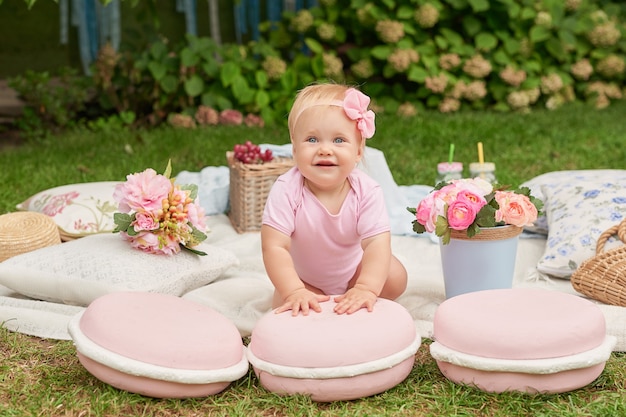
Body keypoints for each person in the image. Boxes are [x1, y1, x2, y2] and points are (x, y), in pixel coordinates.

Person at [261, 83, 408, 316]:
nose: (325, 150)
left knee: (396, 276)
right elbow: (274, 246)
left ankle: (353, 293)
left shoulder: (367, 191)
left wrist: (365, 287)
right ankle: (303, 294)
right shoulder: (286, 190)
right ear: (295, 150)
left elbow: (376, 244)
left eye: (339, 140)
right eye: (312, 140)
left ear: (358, 151)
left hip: (354, 273)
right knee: (284, 302)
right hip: (306, 280)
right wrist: (293, 290)